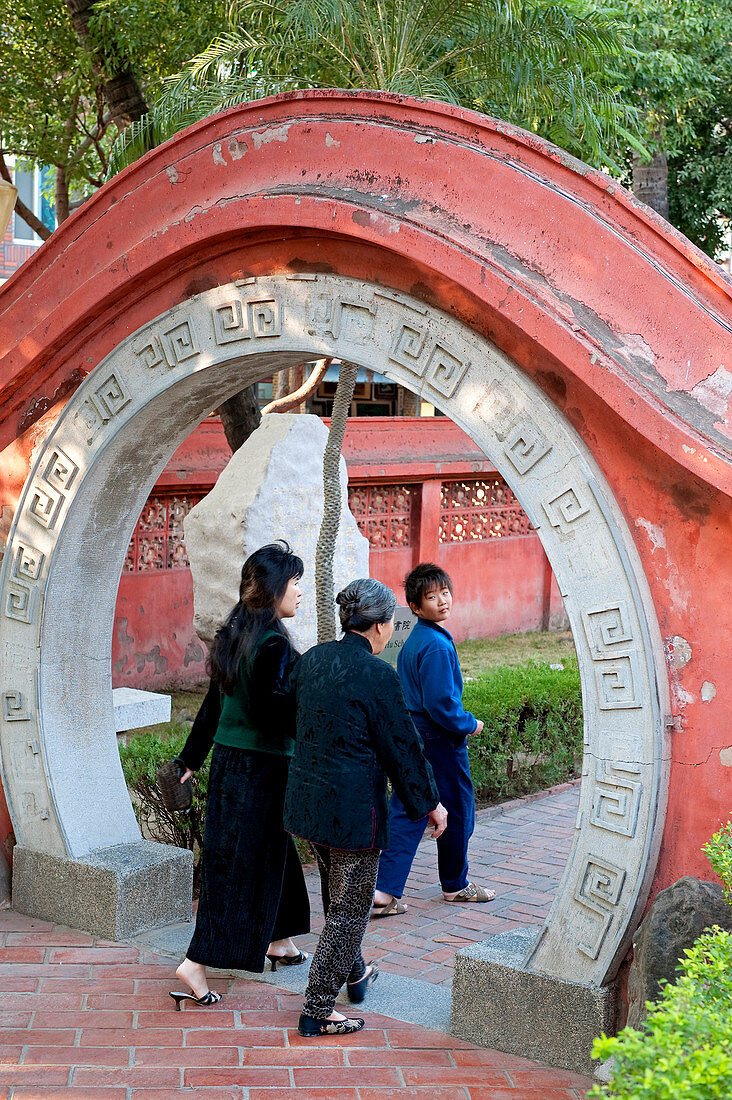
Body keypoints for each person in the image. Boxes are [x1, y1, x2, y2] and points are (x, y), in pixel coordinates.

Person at [284, 578, 447, 1037]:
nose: (391, 632)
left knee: (339, 901)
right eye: (391, 624)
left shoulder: (313, 660)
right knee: (349, 911)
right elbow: (404, 748)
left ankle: (354, 974)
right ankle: (317, 1008)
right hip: (353, 814)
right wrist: (430, 803)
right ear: (377, 626)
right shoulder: (378, 676)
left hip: (308, 807)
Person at [169, 541, 310, 1009]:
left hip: (234, 765)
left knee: (272, 849)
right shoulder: (272, 644)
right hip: (262, 768)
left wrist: (190, 761)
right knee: (236, 865)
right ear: (273, 589)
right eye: (295, 584)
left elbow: (213, 707)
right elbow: (276, 714)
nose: (299, 594)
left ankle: (278, 939)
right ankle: (197, 960)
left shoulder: (234, 632)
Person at [371, 562, 495, 918]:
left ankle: (383, 891)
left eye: (445, 592)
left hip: (414, 736)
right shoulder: (436, 647)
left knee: (409, 810)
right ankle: (456, 886)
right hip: (440, 741)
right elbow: (441, 706)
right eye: (431, 596)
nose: (442, 601)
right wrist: (470, 724)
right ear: (414, 606)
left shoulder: (416, 639)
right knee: (458, 811)